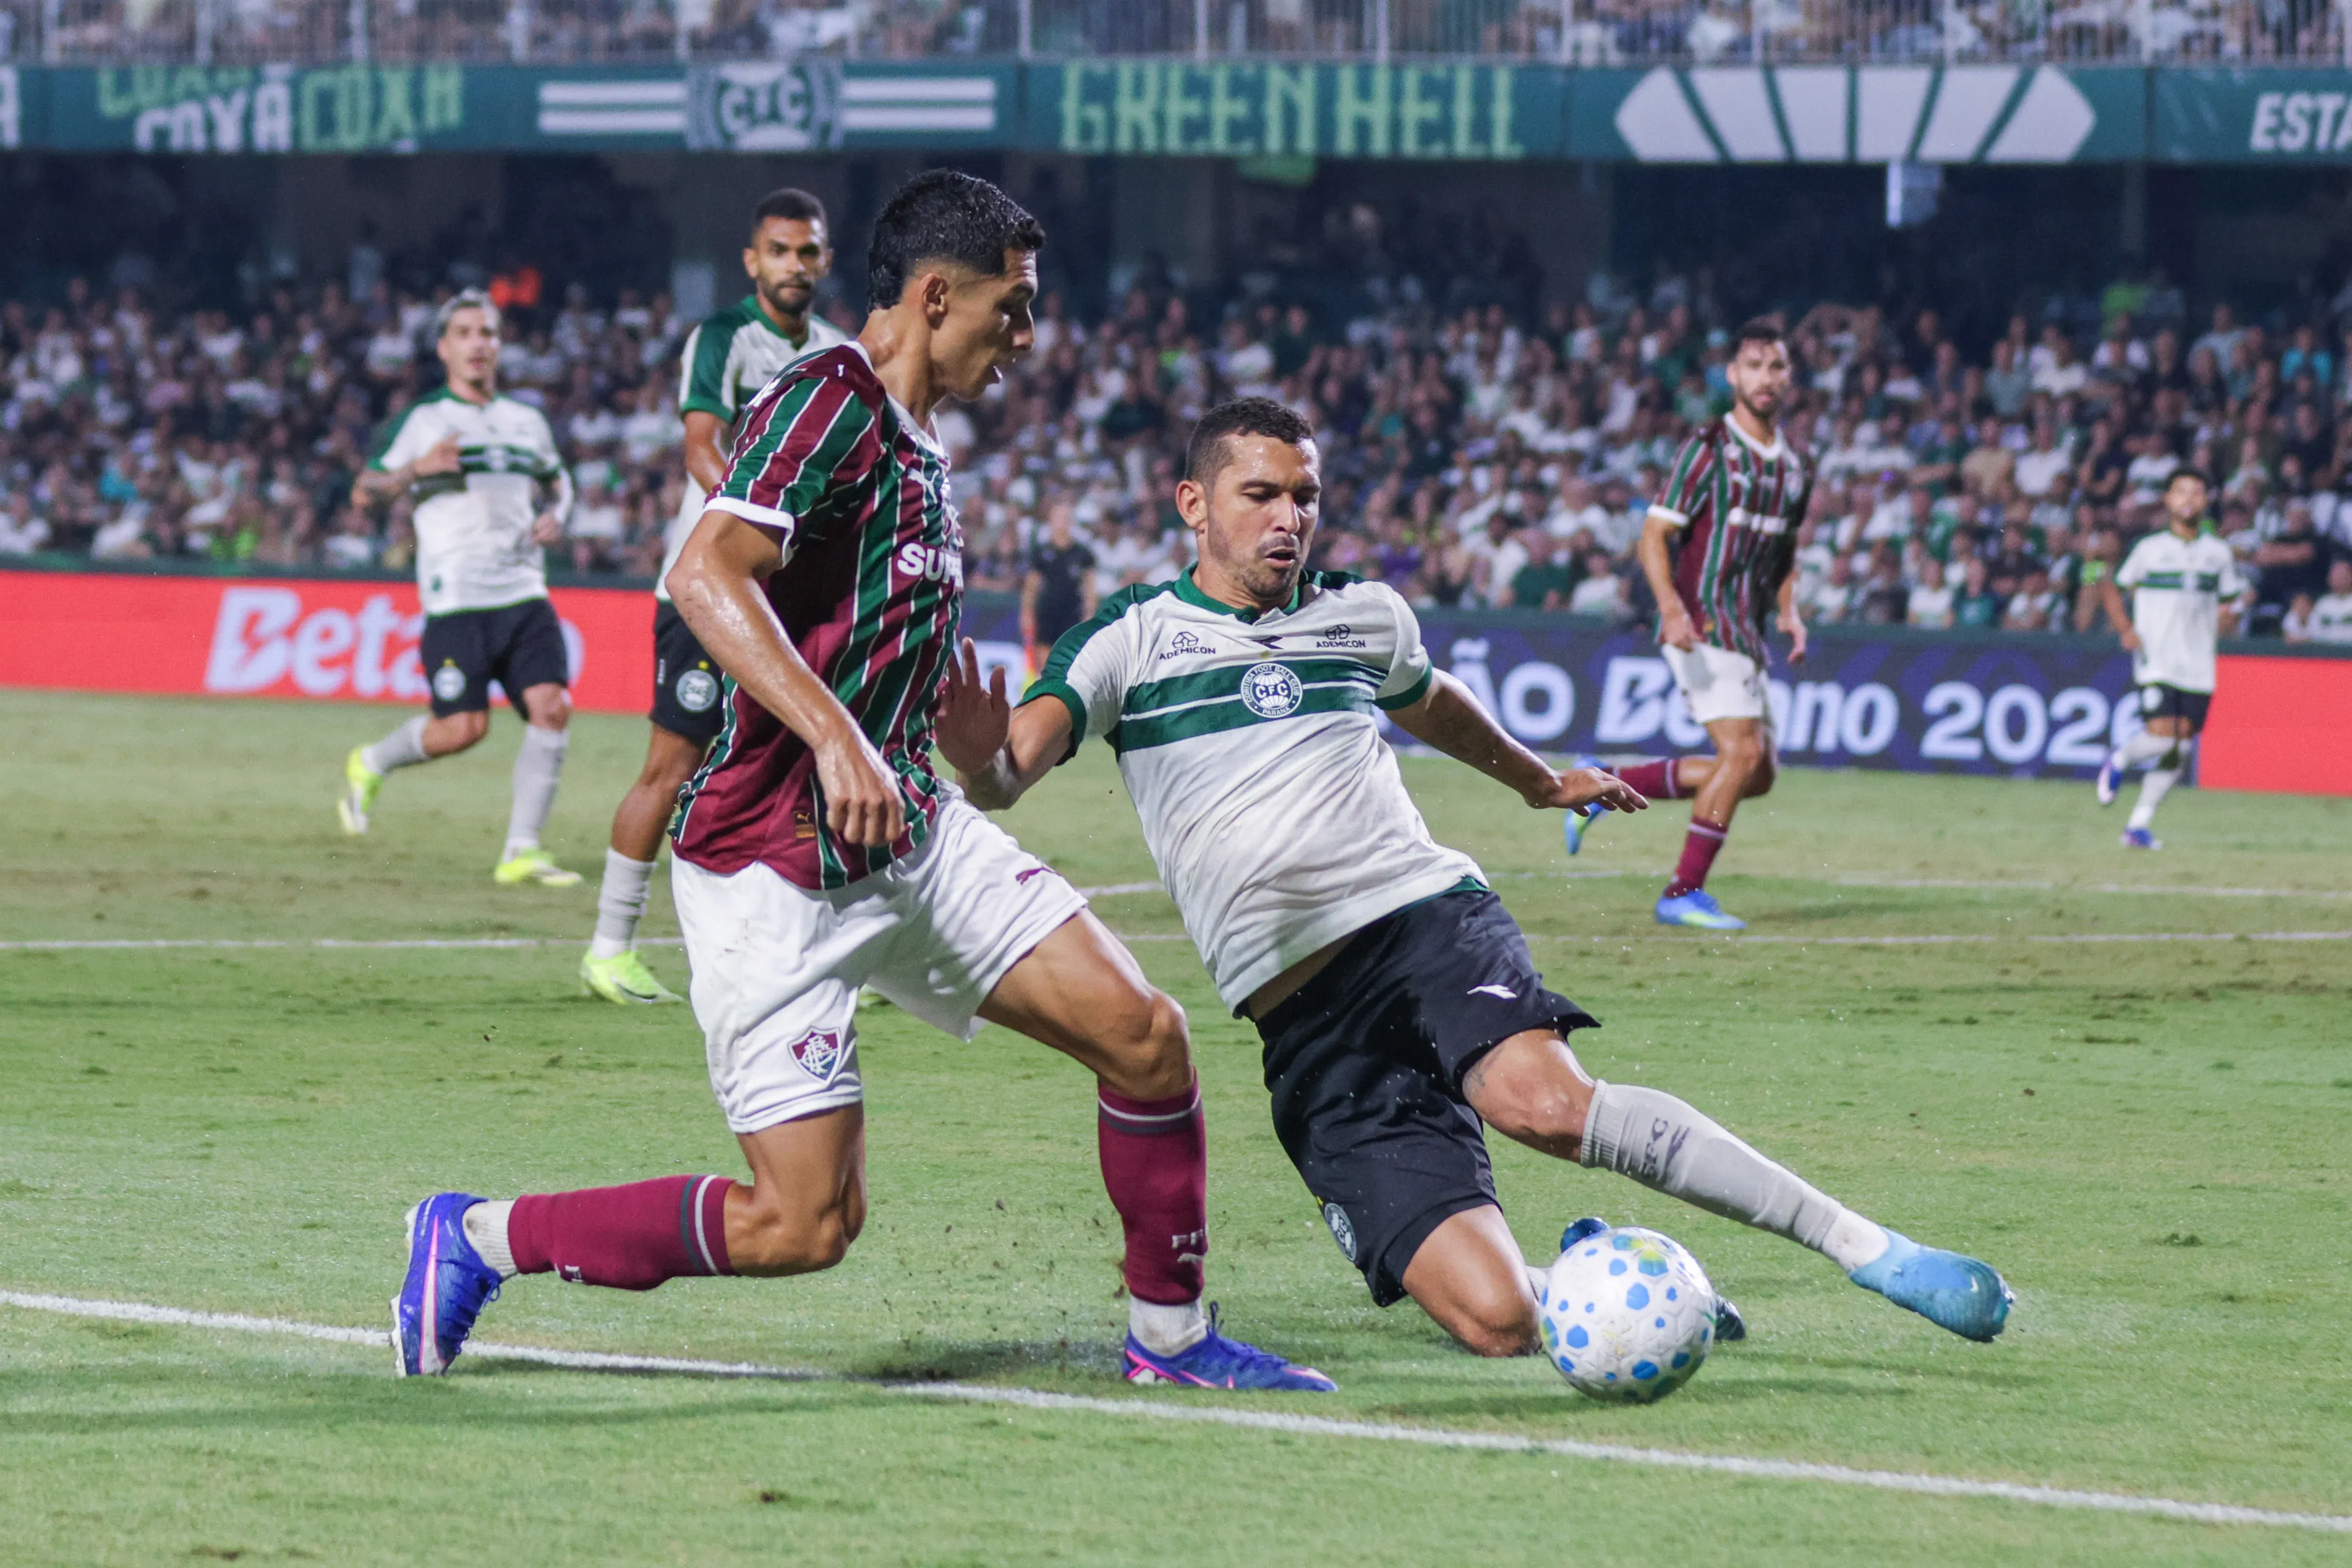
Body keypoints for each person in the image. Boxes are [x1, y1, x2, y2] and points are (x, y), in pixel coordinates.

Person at [390, 172, 1328, 1393]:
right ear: (939, 295)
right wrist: (837, 742)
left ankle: (1173, 1340)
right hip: (771, 862)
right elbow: (704, 575)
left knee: (1145, 1038)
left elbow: (898, 687)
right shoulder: (829, 396)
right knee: (804, 1226)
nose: (1026, 337)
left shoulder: (927, 448)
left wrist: (979, 757)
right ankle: (475, 1236)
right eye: (1015, 306)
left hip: (910, 837)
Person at [933, 398, 2012, 1360]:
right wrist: (980, 758)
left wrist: (1540, 787)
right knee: (1496, 1325)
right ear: (1193, 503)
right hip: (1305, 1025)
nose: (1288, 518)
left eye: (1305, 495)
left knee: (1544, 1105)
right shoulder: (1128, 639)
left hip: (1421, 922)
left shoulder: (1363, 613)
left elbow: (1433, 700)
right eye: (1259, 494)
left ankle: (1867, 1246)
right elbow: (1011, 772)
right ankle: (1616, 1278)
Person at [580, 188, 852, 1005]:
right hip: (713, 592)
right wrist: (767, 523)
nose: (794, 267)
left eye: (807, 253)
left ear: (825, 260)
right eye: (780, 251)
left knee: (827, 759)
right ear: (752, 260)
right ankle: (609, 949)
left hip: (793, 599)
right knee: (671, 767)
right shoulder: (726, 338)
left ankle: (847, 946)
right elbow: (702, 445)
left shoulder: (838, 353)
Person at [1572, 319, 1811, 932]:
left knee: (1755, 776)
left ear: (1789, 378)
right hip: (1701, 621)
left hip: (1746, 630)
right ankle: (1682, 892)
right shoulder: (1709, 447)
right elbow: (1656, 535)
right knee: (1741, 751)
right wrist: (1672, 608)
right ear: (1733, 376)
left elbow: (1782, 552)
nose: (1766, 378)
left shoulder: (1793, 466)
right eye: (1754, 366)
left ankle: (1606, 785)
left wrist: (1789, 610)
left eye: (1776, 367)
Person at [337, 290, 580, 887]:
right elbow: (364, 492)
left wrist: (560, 516)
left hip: (524, 591)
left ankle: (521, 850)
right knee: (463, 729)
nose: (479, 344)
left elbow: (560, 481)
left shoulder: (526, 421)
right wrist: (417, 469)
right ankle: (371, 762)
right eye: (466, 333)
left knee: (553, 709)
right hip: (457, 598)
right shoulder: (424, 420)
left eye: (489, 333)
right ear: (445, 348)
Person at [2093, 468, 2244, 849]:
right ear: (2168, 500)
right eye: (2181, 492)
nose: (2189, 499)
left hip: (2198, 664)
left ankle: (2138, 826)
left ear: (2207, 501)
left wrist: (2229, 618)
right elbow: (2110, 584)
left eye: (2196, 491)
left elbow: (2230, 606)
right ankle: (2121, 759)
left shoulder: (2218, 554)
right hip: (2156, 658)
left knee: (2182, 746)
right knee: (2163, 739)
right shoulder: (2149, 549)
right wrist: (2125, 627)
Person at [1021, 497, 1096, 674]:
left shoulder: (1082, 554)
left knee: (1070, 659)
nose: (1061, 522)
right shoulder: (1041, 552)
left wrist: (1090, 613)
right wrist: (1026, 612)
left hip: (1072, 612)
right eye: (1058, 517)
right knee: (1045, 660)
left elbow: (1090, 588)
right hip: (1047, 612)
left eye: (1065, 518)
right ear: (1050, 520)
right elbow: (1031, 586)